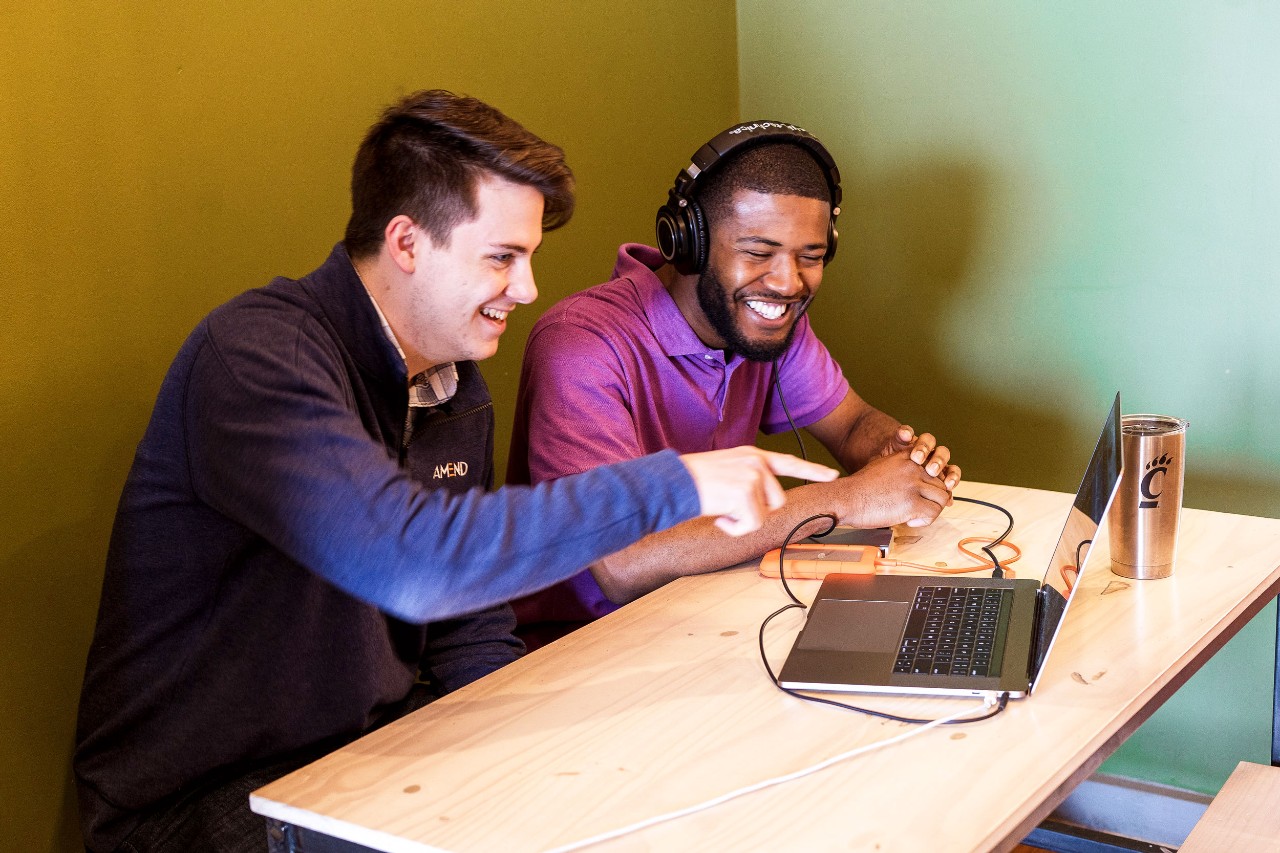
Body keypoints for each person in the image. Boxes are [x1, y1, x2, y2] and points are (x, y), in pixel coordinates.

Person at [73, 93, 835, 853]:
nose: (528, 289)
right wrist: (673, 483)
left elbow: (466, 623)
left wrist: (542, 751)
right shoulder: (257, 358)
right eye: (503, 258)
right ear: (407, 242)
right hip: (206, 801)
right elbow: (415, 563)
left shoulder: (452, 381)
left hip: (371, 750)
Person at [508, 121, 962, 649]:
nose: (787, 283)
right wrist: (848, 498)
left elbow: (852, 424)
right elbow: (624, 563)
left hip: (707, 613)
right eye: (758, 252)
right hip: (579, 645)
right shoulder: (581, 345)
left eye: (810, 256)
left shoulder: (767, 322)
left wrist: (900, 457)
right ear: (688, 242)